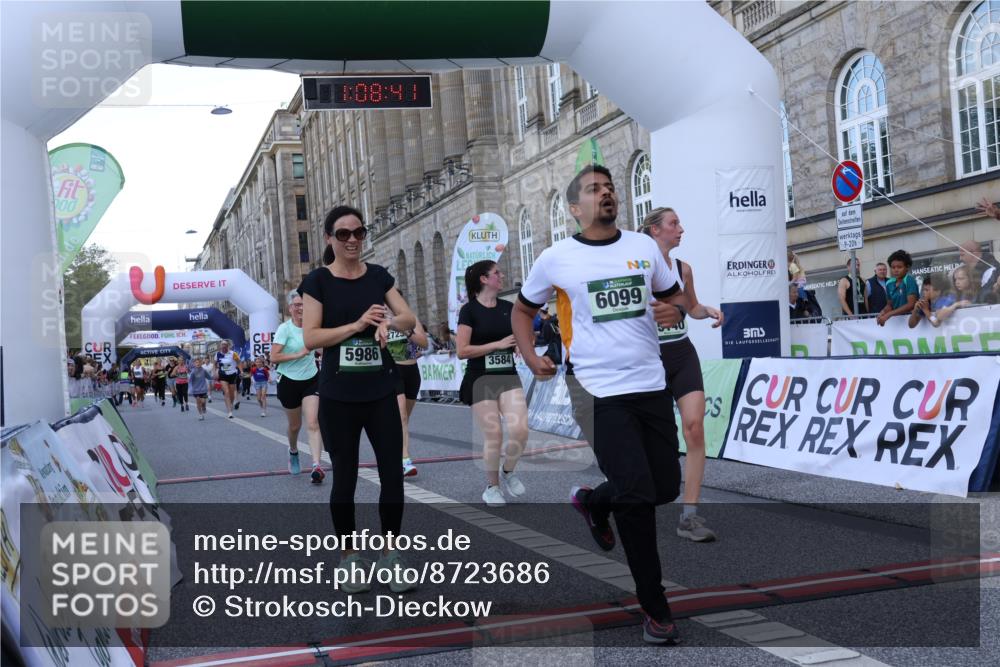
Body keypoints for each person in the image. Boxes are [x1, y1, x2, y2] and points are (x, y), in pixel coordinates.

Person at [512, 165, 684, 645]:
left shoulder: (644, 247)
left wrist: (681, 308)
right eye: (594, 189)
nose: (605, 193)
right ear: (575, 208)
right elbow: (523, 310)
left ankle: (592, 500)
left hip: (650, 382)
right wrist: (529, 354)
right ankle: (655, 608)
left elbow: (674, 297)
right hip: (594, 388)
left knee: (663, 486)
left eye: (609, 188)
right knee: (636, 496)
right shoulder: (555, 258)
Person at [301, 204, 417, 593]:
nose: (353, 240)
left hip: (381, 389)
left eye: (359, 232)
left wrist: (386, 322)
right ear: (329, 239)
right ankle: (349, 558)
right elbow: (311, 338)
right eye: (344, 233)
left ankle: (391, 554)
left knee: (392, 476)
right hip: (338, 394)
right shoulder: (318, 281)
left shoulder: (379, 276)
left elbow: (408, 319)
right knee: (345, 481)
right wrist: (356, 326)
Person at [641, 207, 723, 542]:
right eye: (674, 224)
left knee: (694, 428)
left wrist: (710, 311)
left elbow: (692, 308)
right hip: (650, 358)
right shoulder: (638, 269)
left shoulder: (683, 269)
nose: (681, 229)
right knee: (655, 441)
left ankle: (689, 516)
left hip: (682, 354)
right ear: (654, 230)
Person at [456, 260, 529, 507]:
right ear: (484, 279)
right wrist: (496, 345)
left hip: (507, 374)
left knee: (520, 429)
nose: (502, 275)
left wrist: (520, 342)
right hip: (480, 377)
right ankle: (492, 486)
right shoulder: (469, 311)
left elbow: (521, 333)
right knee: (494, 433)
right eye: (497, 273)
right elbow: (462, 350)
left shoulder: (509, 307)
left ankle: (508, 471)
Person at [273, 289, 324, 481]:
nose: (301, 308)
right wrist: (298, 354)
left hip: (311, 378)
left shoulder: (313, 327)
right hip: (288, 381)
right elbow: (273, 356)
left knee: (313, 422)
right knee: (295, 426)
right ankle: (293, 450)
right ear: (290, 308)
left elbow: (321, 348)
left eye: (303, 304)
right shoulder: (284, 329)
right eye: (297, 305)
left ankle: (316, 465)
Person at [385, 296, 429, 478]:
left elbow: (424, 343)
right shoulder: (381, 322)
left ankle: (392, 450)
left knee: (403, 420)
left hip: (411, 371)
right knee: (401, 416)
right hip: (392, 370)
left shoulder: (411, 319)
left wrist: (406, 331)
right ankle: (405, 460)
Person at [877, 249, 918, 326]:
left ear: (907, 267)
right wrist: (883, 312)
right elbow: (890, 305)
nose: (896, 270)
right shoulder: (889, 283)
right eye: (893, 267)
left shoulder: (909, 280)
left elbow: (911, 304)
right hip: (897, 323)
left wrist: (888, 315)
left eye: (899, 267)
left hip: (911, 320)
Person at [214, 340, 241, 418]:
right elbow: (215, 364)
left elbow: (239, 362)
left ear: (228, 346)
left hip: (232, 374)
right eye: (222, 344)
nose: (223, 346)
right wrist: (215, 372)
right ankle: (229, 411)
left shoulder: (233, 353)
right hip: (223, 375)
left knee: (232, 394)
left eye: (225, 345)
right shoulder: (217, 354)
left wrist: (241, 371)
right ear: (220, 346)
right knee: (226, 392)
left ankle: (231, 403)